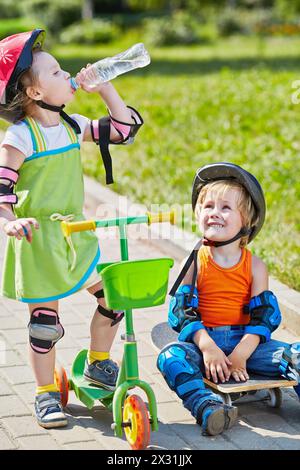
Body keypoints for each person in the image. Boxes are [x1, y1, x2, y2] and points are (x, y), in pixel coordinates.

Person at [0, 29, 143, 428]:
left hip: (76, 235)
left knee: (114, 301)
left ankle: (98, 365)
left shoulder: (70, 124)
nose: (69, 77)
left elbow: (123, 130)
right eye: (58, 73)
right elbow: (2, 187)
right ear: (34, 94)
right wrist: (10, 223)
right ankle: (45, 394)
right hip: (39, 241)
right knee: (45, 325)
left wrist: (106, 89)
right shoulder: (20, 137)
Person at [157, 162, 300, 436]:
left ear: (246, 220)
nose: (214, 213)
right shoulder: (193, 263)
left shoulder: (255, 266)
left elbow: (263, 318)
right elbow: (182, 311)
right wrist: (208, 348)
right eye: (207, 206)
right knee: (170, 357)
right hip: (203, 343)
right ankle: (208, 407)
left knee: (297, 354)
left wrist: (241, 355)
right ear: (198, 213)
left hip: (248, 345)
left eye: (225, 207)